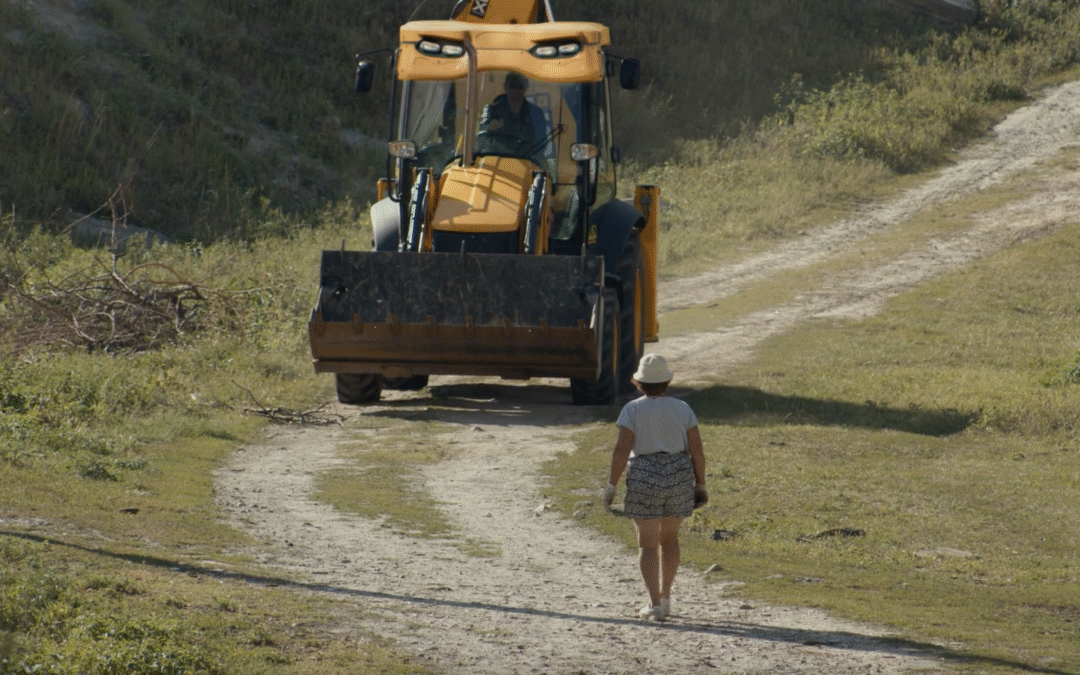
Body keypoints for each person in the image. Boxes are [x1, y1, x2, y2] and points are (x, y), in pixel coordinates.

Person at [602, 354, 708, 621]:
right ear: (667, 381)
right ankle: (667, 596)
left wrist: (611, 486)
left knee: (647, 544)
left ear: (639, 383)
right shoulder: (683, 408)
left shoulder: (632, 410)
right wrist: (700, 484)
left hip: (645, 474)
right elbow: (696, 448)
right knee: (670, 538)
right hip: (678, 474)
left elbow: (621, 450)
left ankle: (654, 603)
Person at [478, 72, 545, 155]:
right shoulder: (491, 111)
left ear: (526, 88)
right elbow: (482, 138)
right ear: (505, 87)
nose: (516, 90)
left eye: (520, 86)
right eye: (512, 86)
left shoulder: (536, 114)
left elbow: (541, 144)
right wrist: (490, 128)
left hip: (527, 158)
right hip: (496, 157)